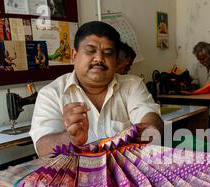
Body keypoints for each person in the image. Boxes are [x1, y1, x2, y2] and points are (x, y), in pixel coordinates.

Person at [30, 21, 163, 158]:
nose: (99, 58)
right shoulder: (51, 94)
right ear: (74, 56)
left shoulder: (132, 85)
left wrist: (151, 129)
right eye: (90, 51)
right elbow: (42, 148)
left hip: (128, 172)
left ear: (116, 60)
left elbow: (150, 117)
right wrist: (71, 138)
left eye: (108, 53)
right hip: (77, 176)